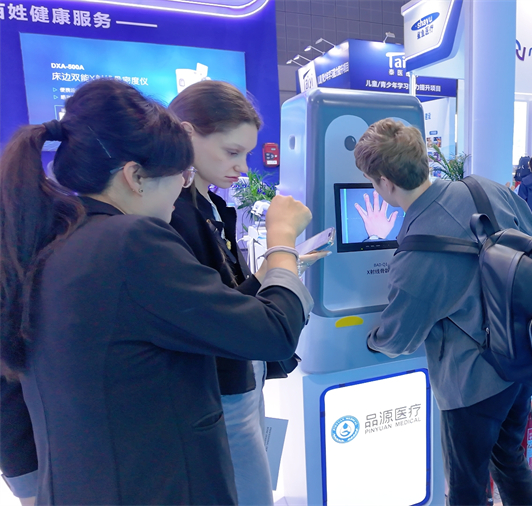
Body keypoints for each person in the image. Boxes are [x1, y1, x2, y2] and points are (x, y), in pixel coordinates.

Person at [0, 79, 326, 505]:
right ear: (135, 176)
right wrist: (282, 242)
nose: (181, 189)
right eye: (180, 174)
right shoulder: (130, 241)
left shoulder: (50, 240)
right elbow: (273, 332)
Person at [353, 119, 532, 506]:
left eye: (372, 181)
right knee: (510, 458)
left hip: (473, 381)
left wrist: (369, 340)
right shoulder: (485, 188)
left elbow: (398, 338)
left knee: (466, 483)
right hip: (525, 353)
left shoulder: (418, 249)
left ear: (385, 182)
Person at [167, 80, 288, 506]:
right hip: (219, 384)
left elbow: (225, 298)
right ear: (186, 135)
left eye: (247, 154)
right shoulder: (174, 214)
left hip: (242, 371)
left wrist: (273, 268)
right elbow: (212, 315)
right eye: (232, 152)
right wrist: (281, 249)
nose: (242, 167)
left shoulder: (211, 205)